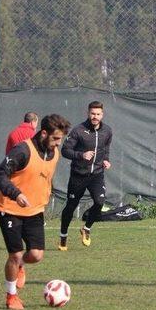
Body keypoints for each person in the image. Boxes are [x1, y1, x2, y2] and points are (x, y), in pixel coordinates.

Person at [0, 114, 71, 310]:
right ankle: (11, 296)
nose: (57, 143)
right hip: (10, 209)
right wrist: (15, 193)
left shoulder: (55, 153)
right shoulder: (23, 150)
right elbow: (0, 173)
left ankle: (20, 266)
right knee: (16, 254)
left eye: (60, 139)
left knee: (36, 255)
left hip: (35, 210)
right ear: (43, 133)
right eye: (55, 139)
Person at [58, 101, 112, 251]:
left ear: (102, 114)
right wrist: (81, 155)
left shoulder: (107, 131)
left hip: (97, 174)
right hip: (78, 175)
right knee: (71, 206)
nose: (95, 117)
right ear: (88, 113)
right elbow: (65, 150)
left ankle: (86, 228)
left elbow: (105, 148)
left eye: (98, 114)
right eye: (93, 114)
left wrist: (106, 160)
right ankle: (63, 235)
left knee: (100, 202)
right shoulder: (78, 130)